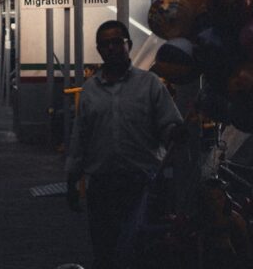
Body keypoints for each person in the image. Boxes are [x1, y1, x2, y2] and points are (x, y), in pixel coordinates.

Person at [65, 20, 185, 269]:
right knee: (105, 251)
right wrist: (72, 180)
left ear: (128, 45)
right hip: (102, 187)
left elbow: (168, 125)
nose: (111, 48)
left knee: (143, 253)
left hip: (143, 186)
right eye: (105, 44)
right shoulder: (89, 92)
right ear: (98, 49)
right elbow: (80, 138)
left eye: (117, 42)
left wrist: (176, 133)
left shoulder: (150, 85)